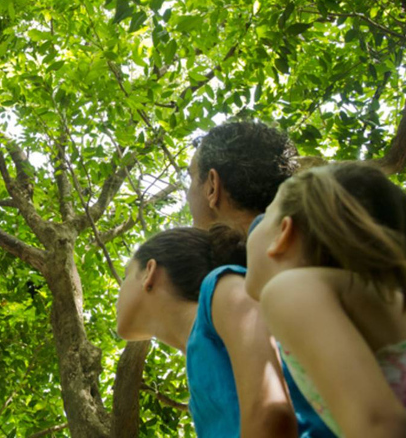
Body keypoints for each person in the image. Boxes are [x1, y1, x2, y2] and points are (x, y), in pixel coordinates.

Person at [186, 120, 335, 437]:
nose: (188, 196)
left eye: (190, 180)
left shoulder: (236, 280)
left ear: (213, 185)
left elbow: (271, 415)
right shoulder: (327, 246)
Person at [245, 162, 406, 437]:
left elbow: (380, 425)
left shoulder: (290, 289)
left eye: (266, 215)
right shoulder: (370, 298)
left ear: (283, 233)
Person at [116, 225, 297, 437]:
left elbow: (272, 413)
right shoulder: (196, 368)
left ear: (149, 271)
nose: (119, 293)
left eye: (126, 275)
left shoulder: (223, 288)